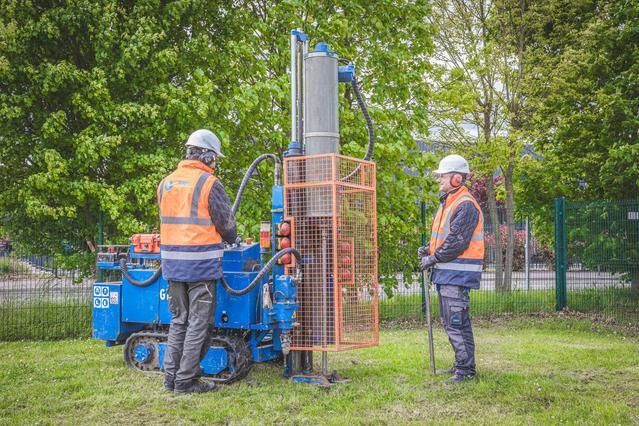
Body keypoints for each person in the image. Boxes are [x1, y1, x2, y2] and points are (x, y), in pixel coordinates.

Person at [157, 129, 237, 394]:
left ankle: (171, 377)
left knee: (178, 321)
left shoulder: (166, 183)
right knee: (197, 323)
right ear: (207, 155)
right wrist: (232, 238)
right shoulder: (208, 184)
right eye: (215, 158)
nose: (215, 163)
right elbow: (226, 224)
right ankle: (186, 380)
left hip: (172, 265)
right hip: (200, 266)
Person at [418, 154, 484, 383]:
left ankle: (465, 371)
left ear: (457, 178)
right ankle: (462, 365)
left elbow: (457, 242)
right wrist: (429, 249)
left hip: (457, 274)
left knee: (456, 324)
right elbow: (447, 237)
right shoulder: (450, 201)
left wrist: (433, 258)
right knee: (454, 322)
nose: (439, 180)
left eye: (442, 176)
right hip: (449, 273)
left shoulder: (464, 204)